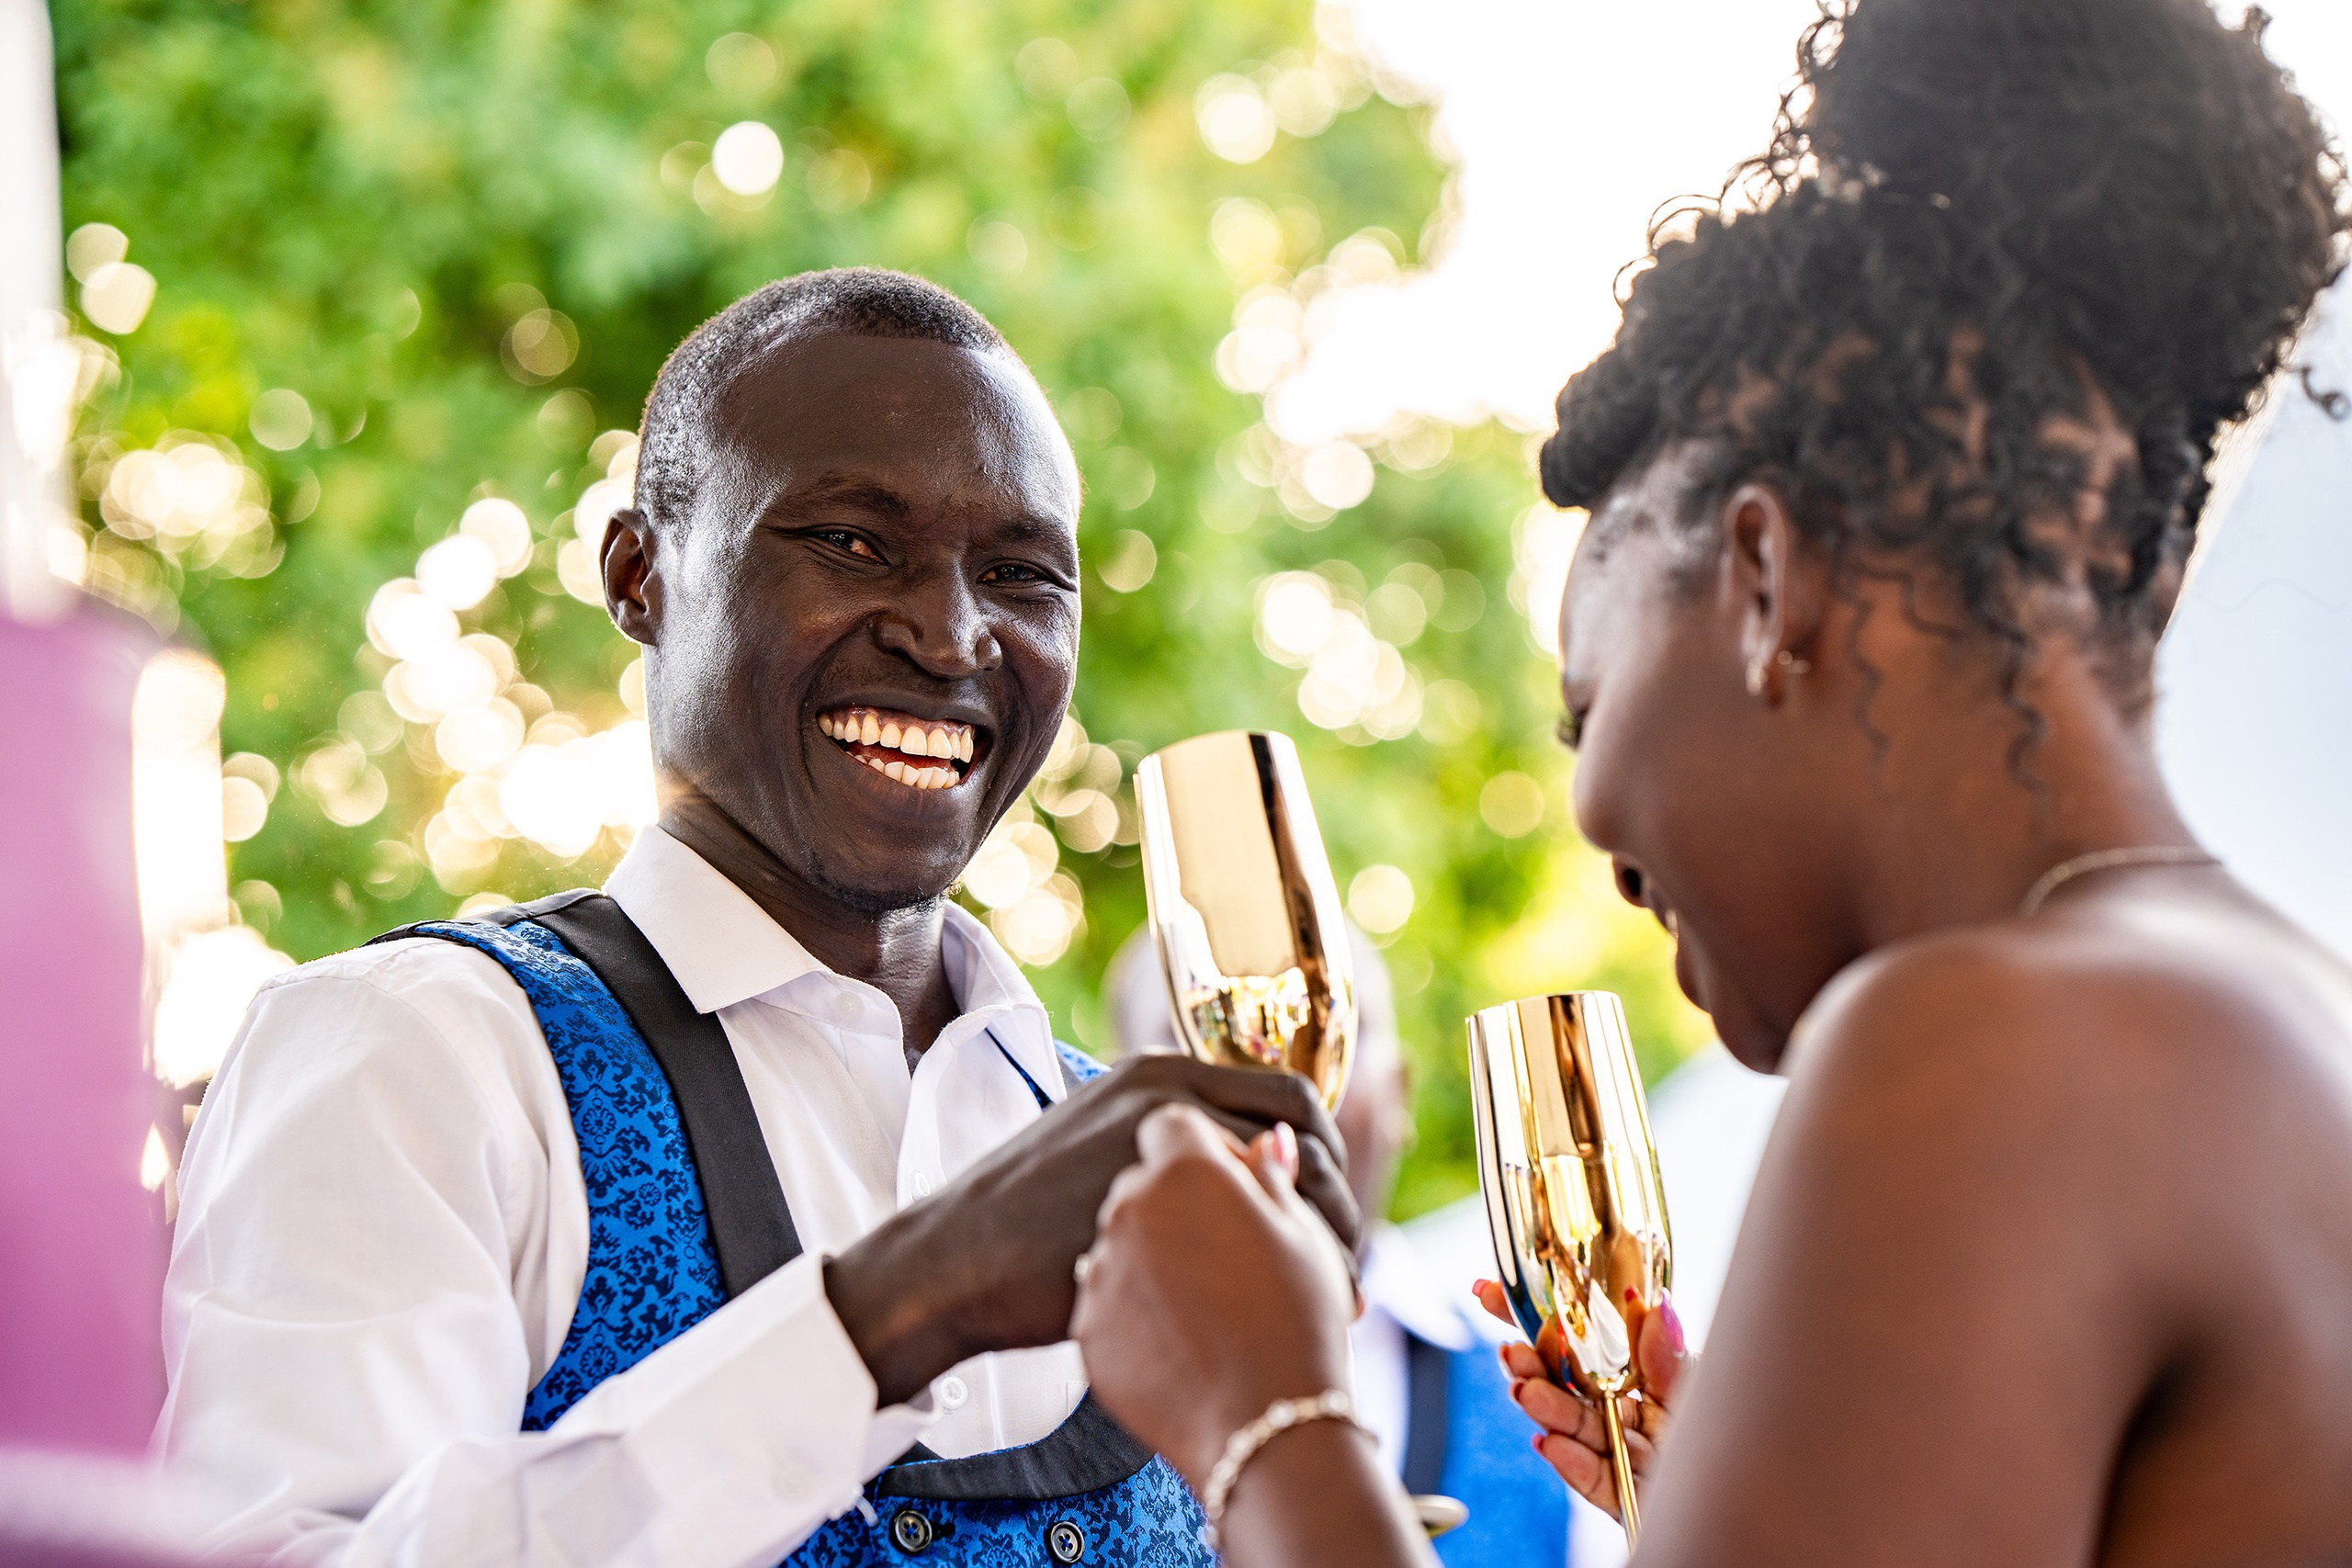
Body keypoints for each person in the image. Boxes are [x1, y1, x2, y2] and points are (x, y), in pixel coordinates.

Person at [1064, 2, 2352, 1564]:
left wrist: (1268, 1416)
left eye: (1588, 705)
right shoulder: (2266, 1004)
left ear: (1763, 579)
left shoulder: (1985, 1039)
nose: (1597, 827)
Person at [157, 268, 1356, 1567]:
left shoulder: (1132, 1160)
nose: (952, 634)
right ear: (638, 575)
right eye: (853, 542)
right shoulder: (416, 1053)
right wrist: (895, 1307)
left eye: (1020, 573)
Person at [1106, 930, 1571, 1567]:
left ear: (1400, 1090)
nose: (1267, 1063)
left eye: (1322, 1017)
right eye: (1199, 1024)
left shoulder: (1552, 1415)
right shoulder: (1039, 1407)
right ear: (1103, 1093)